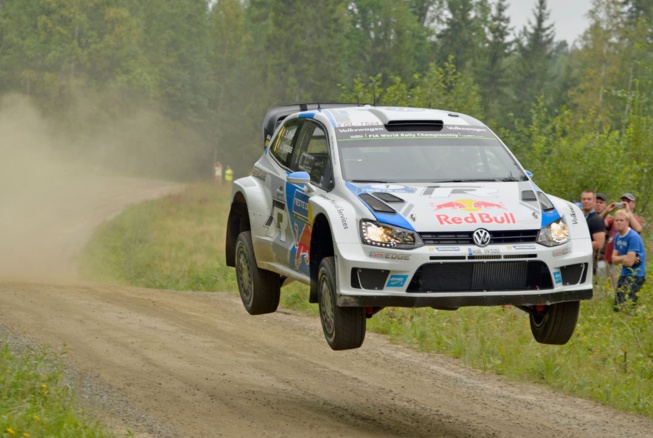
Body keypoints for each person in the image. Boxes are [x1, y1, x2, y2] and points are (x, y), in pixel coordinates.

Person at [611, 210, 646, 310]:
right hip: (624, 273)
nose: (618, 222)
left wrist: (621, 259)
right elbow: (613, 259)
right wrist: (624, 257)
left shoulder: (633, 237)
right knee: (617, 306)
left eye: (621, 220)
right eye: (616, 220)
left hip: (636, 275)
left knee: (627, 306)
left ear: (627, 222)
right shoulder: (617, 237)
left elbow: (630, 262)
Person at [580, 190, 606, 275]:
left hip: (591, 262)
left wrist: (579, 245)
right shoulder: (580, 217)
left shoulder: (596, 220)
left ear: (594, 201)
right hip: (579, 260)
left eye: (589, 199)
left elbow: (599, 244)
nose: (586, 201)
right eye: (584, 199)